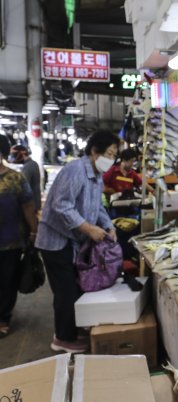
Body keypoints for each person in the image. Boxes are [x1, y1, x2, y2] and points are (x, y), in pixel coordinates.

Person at [35, 130, 119, 353]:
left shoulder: (96, 176)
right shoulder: (75, 170)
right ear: (94, 151)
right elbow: (61, 206)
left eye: (114, 156)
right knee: (66, 292)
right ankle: (63, 338)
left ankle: (70, 329)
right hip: (55, 241)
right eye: (109, 154)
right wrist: (89, 228)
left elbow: (97, 207)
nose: (111, 160)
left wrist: (108, 226)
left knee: (74, 288)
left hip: (72, 243)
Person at [0, 135, 38, 338]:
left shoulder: (16, 178)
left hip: (11, 241)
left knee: (7, 281)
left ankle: (3, 317)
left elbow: (28, 206)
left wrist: (34, 231)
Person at [10, 145, 42, 212]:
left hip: (30, 206)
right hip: (33, 204)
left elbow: (22, 185)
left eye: (15, 155)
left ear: (22, 154)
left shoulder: (29, 166)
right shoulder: (32, 164)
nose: (14, 157)